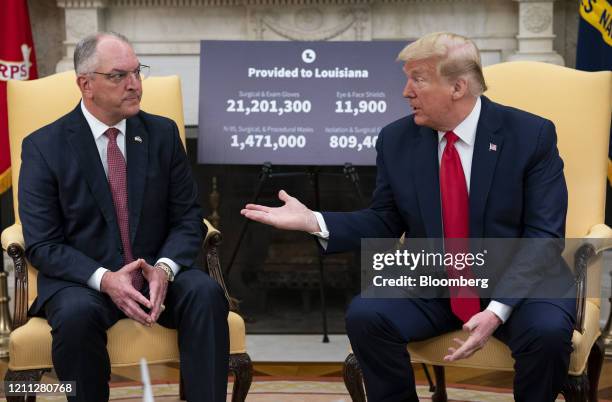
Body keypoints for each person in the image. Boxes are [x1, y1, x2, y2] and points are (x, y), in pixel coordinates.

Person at [241, 32, 575, 402]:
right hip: (435, 281)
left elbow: (543, 236)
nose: (406, 91)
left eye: (418, 78)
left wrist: (496, 311)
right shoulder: (396, 140)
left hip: (523, 284)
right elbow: (385, 220)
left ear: (458, 87)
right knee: (367, 316)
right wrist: (314, 221)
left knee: (546, 334)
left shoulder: (530, 135)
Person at [18, 32, 229, 402]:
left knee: (206, 293)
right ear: (86, 84)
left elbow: (187, 217)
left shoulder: (162, 134)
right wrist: (106, 279)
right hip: (85, 281)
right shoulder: (44, 146)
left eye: (137, 72)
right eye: (119, 76)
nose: (134, 85)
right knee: (75, 317)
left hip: (154, 272)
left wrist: (164, 268)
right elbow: (43, 243)